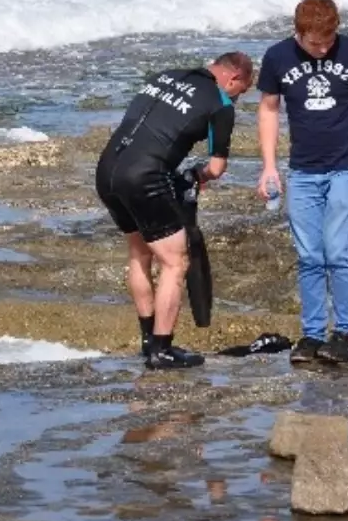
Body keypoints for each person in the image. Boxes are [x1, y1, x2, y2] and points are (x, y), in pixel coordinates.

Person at [255, 0, 348, 365]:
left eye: (329, 41)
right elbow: (269, 109)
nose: (323, 48)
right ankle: (312, 335)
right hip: (303, 169)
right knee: (309, 254)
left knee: (338, 251)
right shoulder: (278, 57)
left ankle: (345, 333)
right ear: (297, 33)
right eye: (315, 43)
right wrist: (269, 166)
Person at [97, 52, 254, 369]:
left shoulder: (165, 75)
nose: (239, 98)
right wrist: (197, 176)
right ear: (233, 78)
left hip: (108, 168)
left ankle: (147, 341)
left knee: (139, 252)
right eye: (243, 91)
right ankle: (162, 348)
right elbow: (217, 167)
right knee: (175, 260)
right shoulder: (220, 103)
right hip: (143, 177)